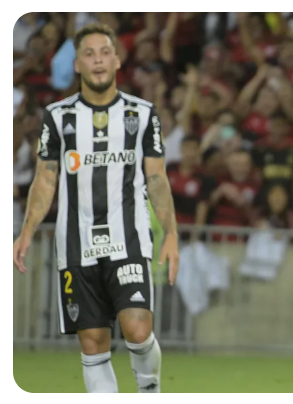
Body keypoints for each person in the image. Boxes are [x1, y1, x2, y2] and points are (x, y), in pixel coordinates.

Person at [12, 23, 179, 393]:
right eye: (89, 54)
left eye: (104, 52)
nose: (98, 60)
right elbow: (45, 178)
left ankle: (149, 388)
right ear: (77, 65)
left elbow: (156, 179)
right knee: (92, 341)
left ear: (117, 60)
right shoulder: (58, 117)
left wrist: (171, 233)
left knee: (138, 329)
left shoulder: (142, 114)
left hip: (129, 237)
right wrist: (25, 231)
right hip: (76, 243)